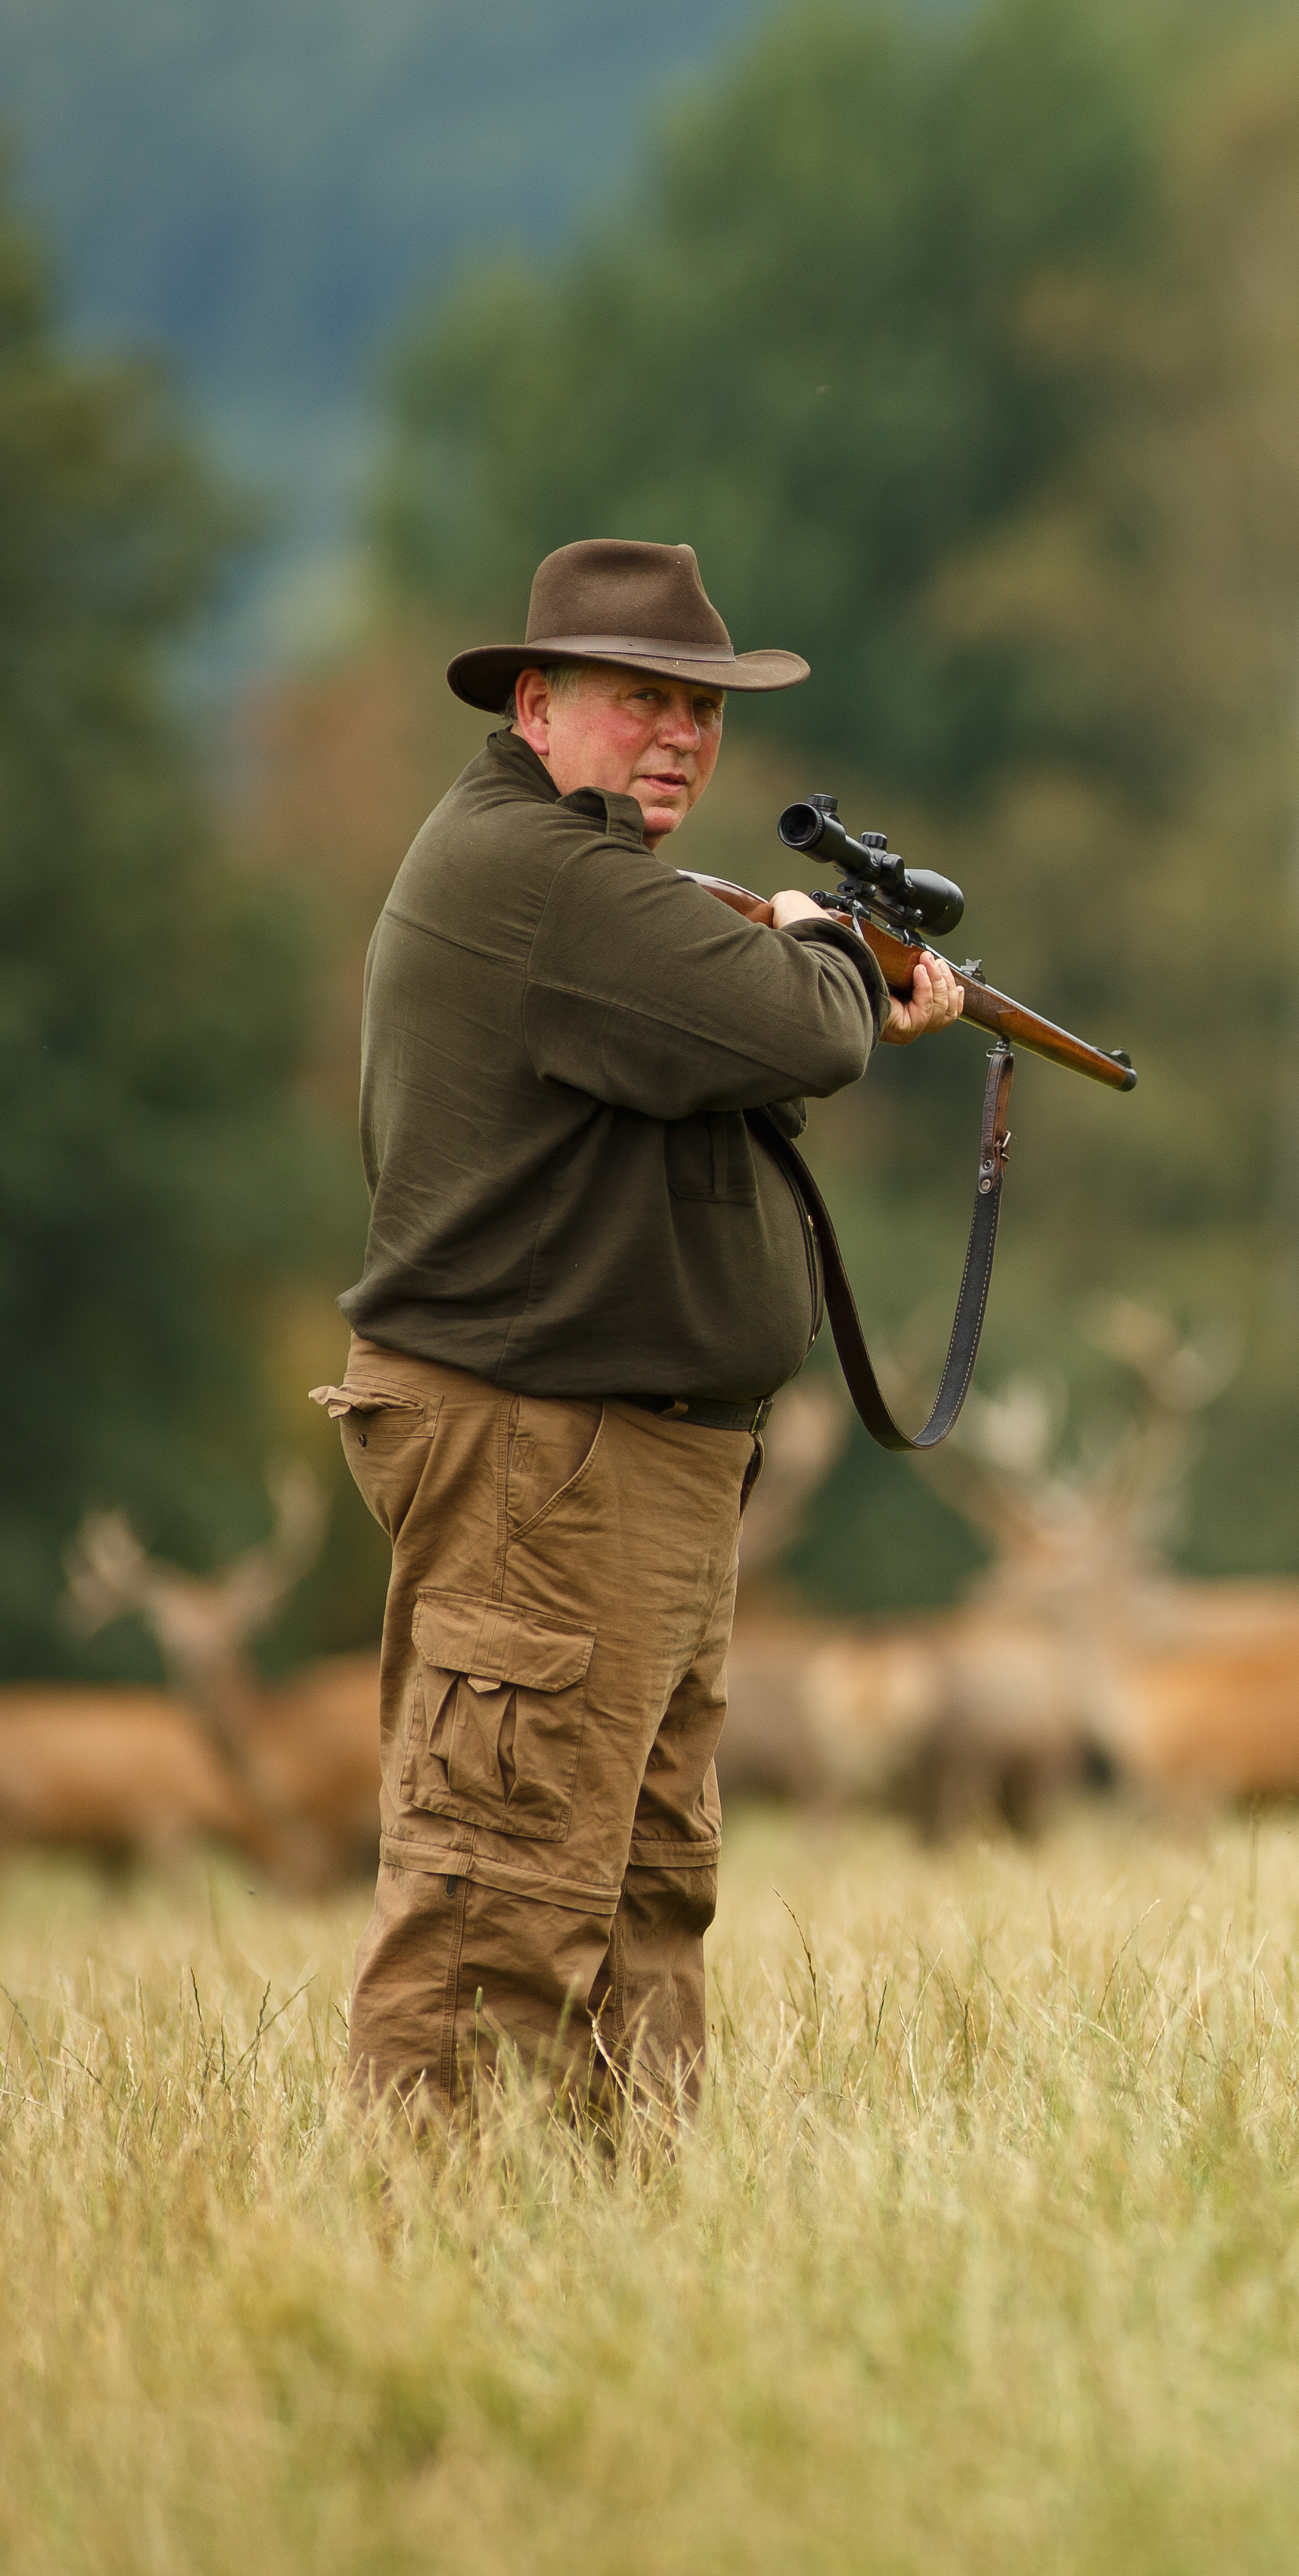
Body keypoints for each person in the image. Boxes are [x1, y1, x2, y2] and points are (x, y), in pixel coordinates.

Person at [310, 537, 963, 2125]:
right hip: (548, 1453)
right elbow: (797, 1026)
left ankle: (609, 2267)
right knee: (501, 1905)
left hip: (625, 1464)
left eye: (701, 707)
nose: (681, 732)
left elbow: (731, 1037)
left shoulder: (583, 876)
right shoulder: (544, 878)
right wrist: (827, 947)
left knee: (640, 1901)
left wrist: (806, 955)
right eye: (640, 701)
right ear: (537, 703)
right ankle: (433, 2284)